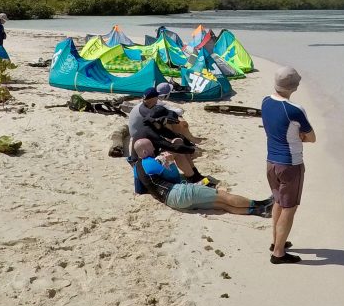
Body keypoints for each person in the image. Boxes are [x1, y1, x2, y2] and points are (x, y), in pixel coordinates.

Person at [131, 138, 273, 216]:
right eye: (151, 147)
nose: (154, 149)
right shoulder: (151, 163)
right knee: (223, 196)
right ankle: (260, 203)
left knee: (221, 205)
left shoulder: (136, 167)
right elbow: (174, 177)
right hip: (179, 193)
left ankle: (259, 212)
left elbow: (139, 189)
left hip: (170, 201)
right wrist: (170, 162)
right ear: (144, 151)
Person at [261, 66, 315, 264]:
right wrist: (300, 136)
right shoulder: (295, 109)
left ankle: (276, 241)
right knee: (289, 208)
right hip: (290, 165)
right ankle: (278, 253)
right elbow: (312, 137)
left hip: (271, 163)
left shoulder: (266, 101)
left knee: (278, 202)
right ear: (294, 86)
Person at [128, 87, 207, 183]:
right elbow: (171, 147)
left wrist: (189, 145)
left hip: (149, 158)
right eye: (165, 120)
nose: (166, 122)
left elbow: (174, 135)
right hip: (142, 167)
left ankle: (195, 174)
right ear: (159, 121)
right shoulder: (148, 131)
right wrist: (193, 150)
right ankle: (193, 178)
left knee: (179, 142)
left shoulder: (155, 126)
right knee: (176, 151)